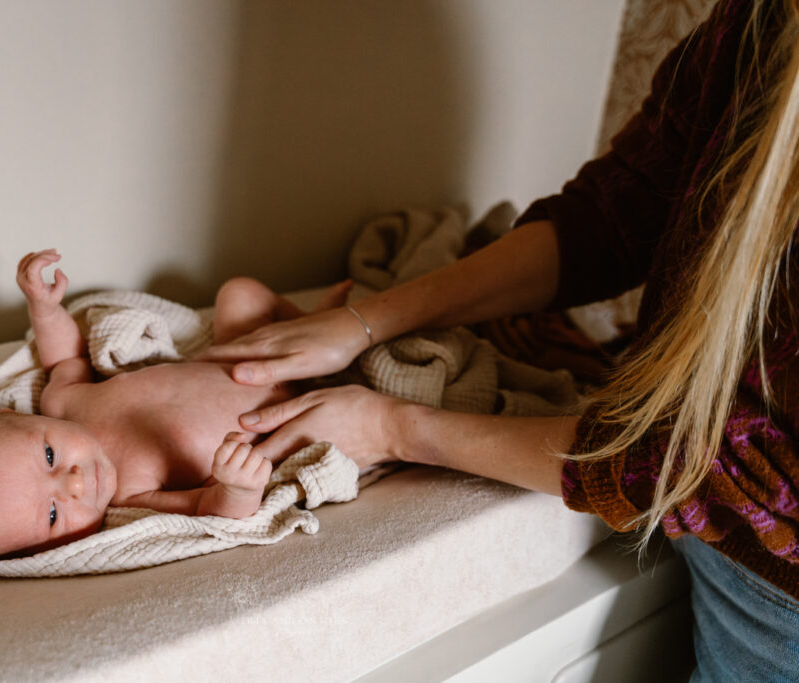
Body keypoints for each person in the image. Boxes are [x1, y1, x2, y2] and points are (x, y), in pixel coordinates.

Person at [199, 0, 799, 678]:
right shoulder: (757, 21)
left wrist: (395, 427)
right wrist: (368, 320)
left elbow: (689, 462)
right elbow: (614, 215)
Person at [0, 249, 352, 561]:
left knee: (240, 293)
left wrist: (44, 310)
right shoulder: (131, 495)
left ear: (17, 417)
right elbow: (206, 509)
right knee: (350, 416)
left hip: (236, 356)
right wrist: (238, 488)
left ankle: (313, 326)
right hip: (291, 418)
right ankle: (329, 357)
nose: (73, 484)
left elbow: (67, 357)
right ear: (43, 553)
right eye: (53, 515)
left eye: (50, 456)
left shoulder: (65, 399)